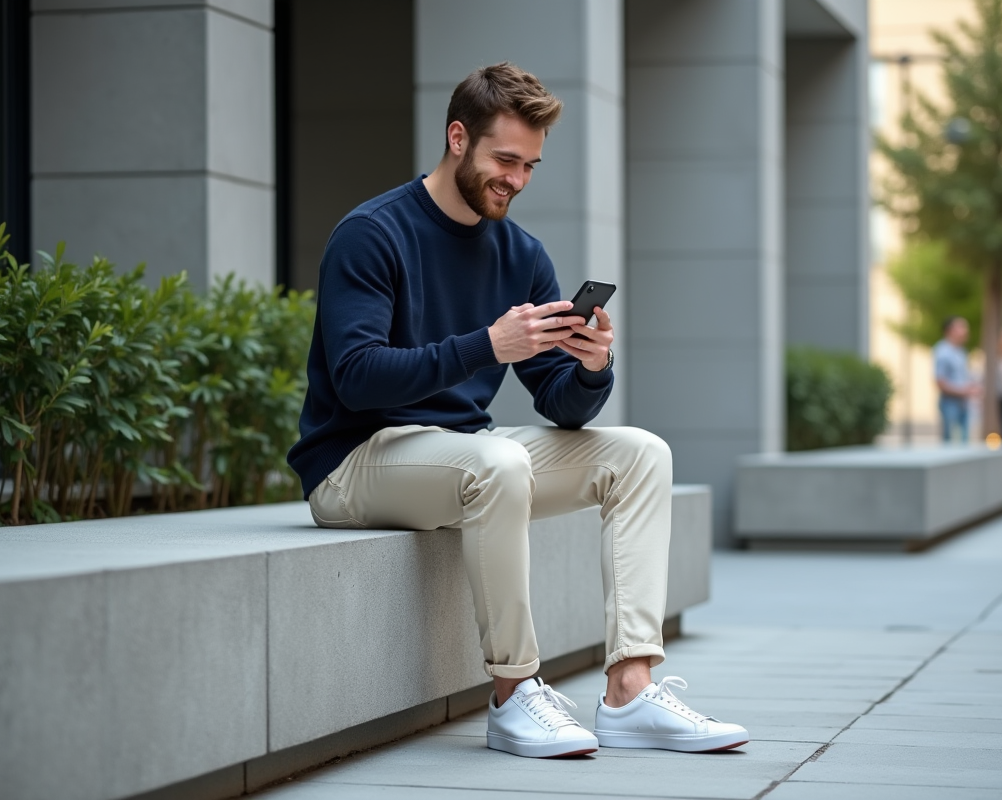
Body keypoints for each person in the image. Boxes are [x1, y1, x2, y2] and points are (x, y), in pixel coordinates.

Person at [287, 63, 748, 759]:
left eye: (529, 165)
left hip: (462, 456)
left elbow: (558, 402)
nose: (517, 179)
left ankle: (629, 690)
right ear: (457, 138)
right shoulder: (372, 234)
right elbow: (355, 379)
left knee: (641, 454)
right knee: (496, 461)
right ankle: (513, 695)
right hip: (355, 461)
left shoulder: (521, 254)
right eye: (505, 160)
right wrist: (486, 345)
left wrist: (591, 368)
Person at [933, 316, 977, 442]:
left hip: (963, 403)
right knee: (950, 442)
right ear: (950, 330)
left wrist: (971, 388)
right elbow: (940, 382)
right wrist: (964, 391)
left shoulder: (961, 351)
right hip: (950, 403)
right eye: (962, 327)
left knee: (963, 441)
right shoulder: (943, 351)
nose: (966, 331)